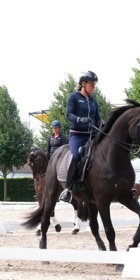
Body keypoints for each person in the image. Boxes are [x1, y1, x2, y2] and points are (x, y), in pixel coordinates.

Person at [59, 71, 103, 203]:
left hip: (91, 135)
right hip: (77, 136)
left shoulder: (94, 102)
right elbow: (69, 115)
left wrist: (101, 123)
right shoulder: (73, 97)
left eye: (94, 85)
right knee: (77, 155)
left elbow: (97, 119)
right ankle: (68, 189)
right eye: (92, 84)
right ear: (83, 84)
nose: (94, 87)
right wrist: (79, 119)